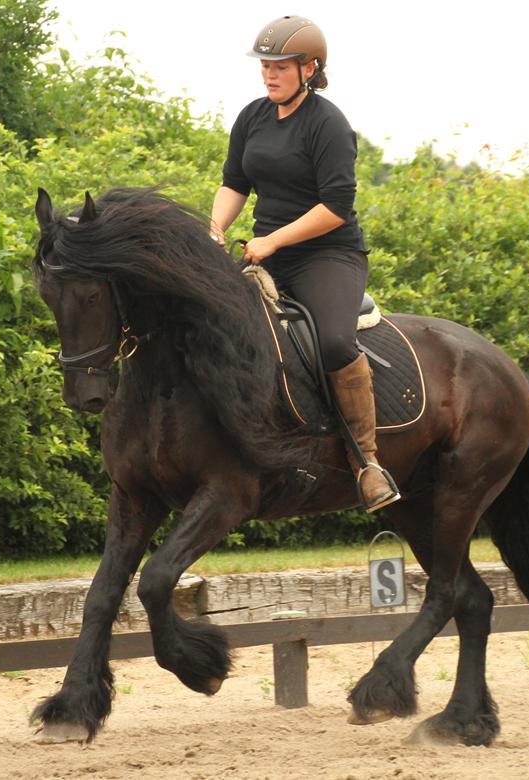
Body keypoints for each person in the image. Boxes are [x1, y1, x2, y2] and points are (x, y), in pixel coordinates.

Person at [209, 15, 399, 512]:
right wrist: (216, 230)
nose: (269, 74)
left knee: (334, 342)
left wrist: (271, 241)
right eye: (265, 66)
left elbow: (336, 207)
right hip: (265, 249)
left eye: (280, 66)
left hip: (327, 254)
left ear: (310, 68)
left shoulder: (328, 124)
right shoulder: (252, 117)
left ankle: (368, 463)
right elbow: (234, 183)